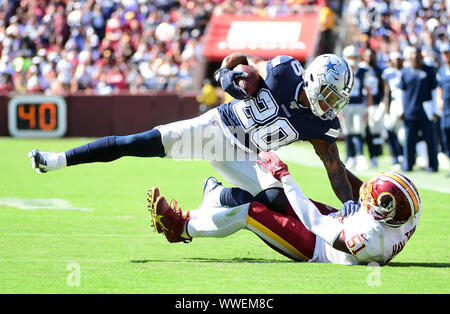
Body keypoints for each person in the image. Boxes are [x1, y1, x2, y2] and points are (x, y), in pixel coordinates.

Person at [29, 52, 358, 208]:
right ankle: (57, 159)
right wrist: (225, 74)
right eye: (329, 94)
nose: (331, 105)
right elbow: (239, 59)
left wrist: (350, 204)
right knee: (138, 143)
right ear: (314, 80)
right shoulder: (283, 70)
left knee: (278, 201)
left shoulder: (321, 124)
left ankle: (217, 196)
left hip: (247, 157)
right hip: (216, 129)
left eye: (336, 99)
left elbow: (335, 170)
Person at [149, 151, 421, 265]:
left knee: (253, 213)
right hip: (337, 221)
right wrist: (334, 163)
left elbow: (314, 223)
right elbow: (373, 202)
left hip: (317, 245)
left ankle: (180, 227)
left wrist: (284, 175)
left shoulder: (371, 241)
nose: (366, 199)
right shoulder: (405, 216)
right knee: (274, 198)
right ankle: (217, 196)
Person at [399, 46, 439, 172]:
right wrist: (400, 110)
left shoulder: (429, 71)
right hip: (410, 112)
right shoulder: (405, 72)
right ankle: (408, 164)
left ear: (421, 56)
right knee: (409, 141)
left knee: (430, 140)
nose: (416, 57)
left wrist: (435, 110)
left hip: (426, 113)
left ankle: (433, 165)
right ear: (410, 57)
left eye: (418, 54)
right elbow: (401, 92)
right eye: (413, 55)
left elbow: (434, 91)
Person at [340, 45, 376, 171]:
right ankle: (350, 157)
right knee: (348, 132)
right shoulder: (343, 72)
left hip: (359, 105)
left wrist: (368, 109)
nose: (352, 59)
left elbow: (369, 91)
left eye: (354, 57)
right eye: (350, 57)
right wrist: (337, 109)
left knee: (359, 131)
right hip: (346, 105)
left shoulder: (363, 72)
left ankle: (360, 156)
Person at [382, 51, 405, 171]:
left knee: (402, 133)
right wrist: (387, 111)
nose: (396, 61)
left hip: (404, 104)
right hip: (393, 104)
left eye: (398, 59)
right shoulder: (388, 73)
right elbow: (387, 93)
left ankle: (403, 157)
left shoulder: (405, 71)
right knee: (391, 131)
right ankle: (395, 156)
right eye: (394, 59)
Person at [436, 42, 450, 176]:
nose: (446, 56)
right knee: (446, 134)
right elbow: (439, 87)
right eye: (444, 54)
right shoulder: (441, 70)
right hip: (446, 109)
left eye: (447, 53)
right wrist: (439, 99)